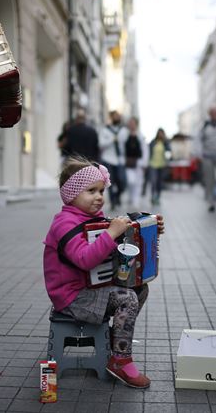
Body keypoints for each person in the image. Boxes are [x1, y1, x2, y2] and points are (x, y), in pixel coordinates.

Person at [42, 156, 165, 388]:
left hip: (89, 289)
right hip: (72, 297)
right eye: (91, 191)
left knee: (139, 288)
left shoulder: (92, 219)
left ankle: (117, 340)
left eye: (101, 190)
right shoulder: (64, 225)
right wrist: (110, 234)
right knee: (126, 299)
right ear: (71, 195)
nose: (99, 197)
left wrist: (148, 226)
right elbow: (85, 259)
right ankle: (120, 360)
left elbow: (115, 246)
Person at [195, 106, 216, 213]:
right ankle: (211, 203)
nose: (214, 115)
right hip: (208, 157)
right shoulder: (204, 125)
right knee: (210, 181)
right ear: (209, 114)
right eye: (212, 113)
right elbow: (198, 140)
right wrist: (199, 154)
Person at [99, 111, 128, 209]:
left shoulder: (124, 130)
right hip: (108, 159)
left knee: (122, 182)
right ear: (111, 117)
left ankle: (117, 196)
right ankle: (112, 202)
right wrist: (112, 139)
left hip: (120, 160)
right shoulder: (105, 130)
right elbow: (101, 144)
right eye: (115, 116)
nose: (117, 118)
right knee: (110, 182)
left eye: (118, 116)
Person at [124, 117, 148, 208]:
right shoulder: (125, 134)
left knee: (138, 182)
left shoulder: (140, 135)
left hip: (139, 162)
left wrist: (144, 163)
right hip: (128, 162)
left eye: (133, 123)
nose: (131, 124)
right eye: (130, 122)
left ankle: (136, 200)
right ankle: (131, 197)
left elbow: (145, 150)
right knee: (130, 181)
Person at [148, 128, 171, 206]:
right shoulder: (153, 142)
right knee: (153, 181)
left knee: (159, 182)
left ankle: (158, 197)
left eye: (162, 133)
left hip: (162, 165)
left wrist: (166, 141)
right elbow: (149, 152)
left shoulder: (165, 143)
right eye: (159, 133)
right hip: (153, 164)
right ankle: (153, 196)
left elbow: (169, 152)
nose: (160, 135)